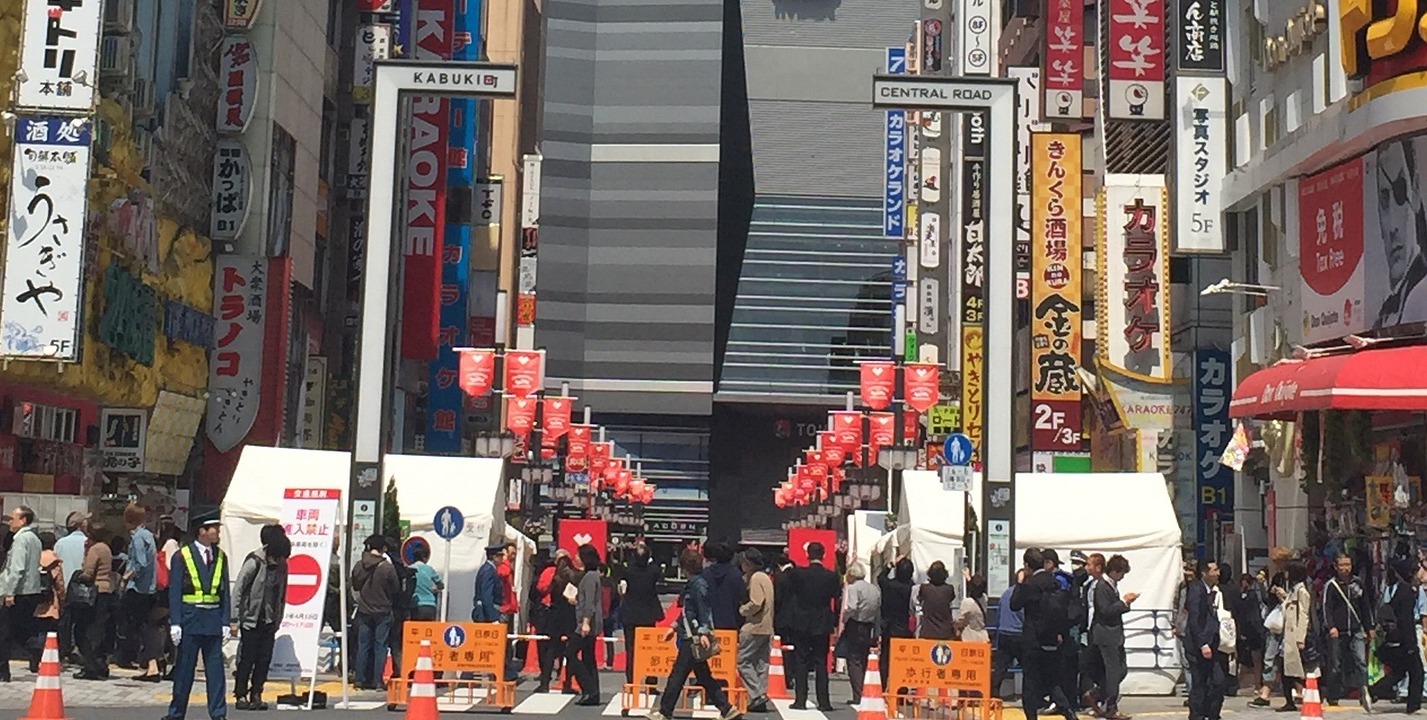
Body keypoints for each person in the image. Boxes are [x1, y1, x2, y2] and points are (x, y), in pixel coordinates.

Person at [647, 549, 741, 720]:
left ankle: (664, 711)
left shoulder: (698, 585)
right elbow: (688, 611)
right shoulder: (696, 583)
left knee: (677, 676)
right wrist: (674, 626)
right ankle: (727, 709)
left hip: (693, 638)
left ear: (684, 568)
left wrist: (703, 632)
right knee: (704, 676)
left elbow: (703, 610)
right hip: (690, 634)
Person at [164, 518, 234, 720]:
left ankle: (218, 713)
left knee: (216, 672)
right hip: (190, 619)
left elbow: (224, 592)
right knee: (185, 670)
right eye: (215, 529)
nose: (218, 533)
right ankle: (176, 713)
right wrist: (175, 622)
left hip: (212, 619)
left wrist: (225, 622)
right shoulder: (182, 556)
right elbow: (175, 591)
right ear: (202, 531)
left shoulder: (221, 556)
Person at [1011, 549, 1075, 720]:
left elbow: (1014, 604)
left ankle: (1031, 716)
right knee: (1052, 678)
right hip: (1053, 638)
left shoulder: (1031, 584)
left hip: (1033, 639)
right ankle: (1068, 711)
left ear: (1027, 566)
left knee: (1030, 681)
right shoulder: (1055, 581)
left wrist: (1020, 584)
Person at [233, 524, 291, 711]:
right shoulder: (255, 561)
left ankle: (257, 692)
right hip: (251, 618)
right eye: (279, 555)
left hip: (269, 619)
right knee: (247, 658)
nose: (280, 559)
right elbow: (239, 589)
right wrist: (234, 618)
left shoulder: (282, 565)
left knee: (264, 658)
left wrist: (278, 618)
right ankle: (240, 693)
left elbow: (282, 594)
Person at [1374, 137, 1427, 329]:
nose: (1392, 226)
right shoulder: (1384, 314)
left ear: (1415, 188)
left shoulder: (1420, 295)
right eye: (1383, 199)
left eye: (1399, 193)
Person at [787, 541, 841, 711]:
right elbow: (836, 595)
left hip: (802, 620)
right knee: (820, 662)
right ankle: (824, 701)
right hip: (822, 621)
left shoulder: (798, 574)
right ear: (824, 555)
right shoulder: (831, 576)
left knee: (801, 660)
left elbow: (790, 592)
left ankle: (800, 699)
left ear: (807, 555)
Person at [1089, 554, 1137, 720]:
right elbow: (1105, 611)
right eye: (1122, 573)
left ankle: (1097, 693)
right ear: (1115, 571)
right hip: (1106, 635)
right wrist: (1124, 603)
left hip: (1113, 635)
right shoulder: (1102, 586)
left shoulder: (1111, 586)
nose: (1123, 577)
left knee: (1120, 670)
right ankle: (1110, 706)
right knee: (1113, 671)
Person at [1320, 553, 1370, 711]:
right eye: (1342, 565)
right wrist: (1331, 626)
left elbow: (1365, 606)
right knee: (1336, 664)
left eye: (1347, 564)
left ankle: (1364, 690)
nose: (1345, 568)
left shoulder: (1358, 583)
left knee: (1361, 661)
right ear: (1336, 567)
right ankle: (1333, 695)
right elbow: (1326, 608)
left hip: (1356, 629)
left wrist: (1369, 627)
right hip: (1338, 630)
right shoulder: (1332, 585)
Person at [1372, 558, 1422, 712]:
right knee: (1417, 671)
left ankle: (1373, 691)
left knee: (1399, 671)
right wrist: (1411, 645)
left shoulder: (1397, 589)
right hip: (1404, 639)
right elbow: (1406, 620)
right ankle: (1413, 704)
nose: (1421, 574)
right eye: (1417, 571)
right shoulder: (1407, 592)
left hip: (1394, 638)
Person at [351, 534, 399, 691]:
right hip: (383, 611)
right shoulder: (387, 568)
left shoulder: (359, 565)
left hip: (364, 609)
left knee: (363, 644)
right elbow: (395, 589)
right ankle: (378, 681)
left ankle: (359, 680)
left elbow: (355, 585)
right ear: (383, 548)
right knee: (381, 646)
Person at [0, 505, 43, 678]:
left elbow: (17, 568)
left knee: (5, 631)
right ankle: (35, 651)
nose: (10, 522)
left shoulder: (21, 540)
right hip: (31, 590)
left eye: (13, 518)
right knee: (21, 629)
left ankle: (3, 670)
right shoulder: (35, 539)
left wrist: (10, 592)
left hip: (19, 591)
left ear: (23, 520)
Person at [1186, 560, 1228, 720]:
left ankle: (1212, 713)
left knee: (1217, 681)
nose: (1218, 573)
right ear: (1204, 573)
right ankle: (1197, 714)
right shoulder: (1196, 590)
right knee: (1200, 683)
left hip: (1212, 642)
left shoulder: (1211, 590)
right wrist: (1202, 643)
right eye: (1214, 570)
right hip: (1199, 645)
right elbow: (1195, 619)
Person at [119, 503, 159, 673]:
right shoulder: (149, 535)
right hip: (149, 588)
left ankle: (148, 663)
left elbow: (140, 563)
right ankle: (153, 663)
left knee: (134, 624)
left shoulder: (137, 538)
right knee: (146, 625)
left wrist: (126, 577)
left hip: (137, 588)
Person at [619, 543, 664, 687]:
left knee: (631, 649)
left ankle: (631, 681)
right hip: (648, 615)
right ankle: (651, 681)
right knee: (649, 648)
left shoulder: (628, 571)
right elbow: (659, 574)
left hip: (630, 614)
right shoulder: (653, 571)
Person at [74, 526, 116, 680]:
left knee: (82, 630)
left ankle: (90, 665)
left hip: (94, 593)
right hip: (106, 591)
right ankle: (100, 664)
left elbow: (88, 573)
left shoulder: (95, 549)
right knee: (100, 629)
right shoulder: (106, 548)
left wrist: (78, 575)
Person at [737, 548, 774, 713]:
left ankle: (757, 694)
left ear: (749, 564)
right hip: (767, 626)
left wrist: (743, 610)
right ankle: (760, 697)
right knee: (761, 663)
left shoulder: (756, 578)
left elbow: (756, 602)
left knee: (743, 661)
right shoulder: (766, 577)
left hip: (754, 626)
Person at [535, 550, 578, 694]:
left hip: (553, 615)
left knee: (550, 650)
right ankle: (567, 683)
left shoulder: (553, 576)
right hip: (570, 616)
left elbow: (541, 589)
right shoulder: (574, 576)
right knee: (570, 651)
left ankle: (544, 682)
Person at [840, 563, 880, 706]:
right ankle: (865, 689)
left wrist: (845, 617)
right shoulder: (873, 588)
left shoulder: (853, 588)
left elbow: (851, 606)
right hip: (868, 625)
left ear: (851, 575)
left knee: (854, 660)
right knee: (863, 659)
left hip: (855, 624)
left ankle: (858, 693)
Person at [569, 544, 604, 706]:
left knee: (570, 653)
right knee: (589, 657)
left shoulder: (589, 577)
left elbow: (590, 602)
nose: (575, 557)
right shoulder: (593, 575)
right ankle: (593, 693)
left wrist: (585, 622)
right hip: (589, 619)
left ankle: (588, 688)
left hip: (586, 622)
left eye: (578, 555)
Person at [1278, 561, 1312, 713]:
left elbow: (1304, 614)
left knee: (1294, 669)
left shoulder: (1302, 591)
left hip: (1294, 636)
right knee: (1285, 668)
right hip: (1287, 635)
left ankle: (1312, 692)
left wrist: (1300, 638)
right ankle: (1288, 701)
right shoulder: (1293, 590)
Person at [878, 557, 915, 693]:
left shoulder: (889, 585)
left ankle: (882, 686)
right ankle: (901, 690)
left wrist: (890, 564)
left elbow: (880, 577)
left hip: (888, 626)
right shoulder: (911, 588)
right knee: (903, 661)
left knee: (885, 659)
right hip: (904, 628)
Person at [55, 511, 88, 661]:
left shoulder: (60, 543)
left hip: (65, 587)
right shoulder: (87, 542)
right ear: (81, 525)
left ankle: (64, 648)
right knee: (81, 622)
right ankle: (77, 648)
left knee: (65, 621)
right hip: (83, 589)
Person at [992, 569, 1026, 700]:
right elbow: (1024, 615)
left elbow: (999, 613)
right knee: (1029, 666)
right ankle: (1033, 695)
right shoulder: (1023, 594)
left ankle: (994, 693)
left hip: (1004, 632)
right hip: (1018, 633)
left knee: (1001, 666)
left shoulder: (1006, 593)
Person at [34, 531, 64, 665]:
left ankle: (34, 658)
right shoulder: (54, 561)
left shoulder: (34, 557)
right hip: (50, 600)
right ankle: (45, 659)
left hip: (35, 598)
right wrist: (62, 599)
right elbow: (59, 584)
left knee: (37, 630)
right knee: (48, 631)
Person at [703, 541, 744, 631]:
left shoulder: (706, 574)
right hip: (731, 624)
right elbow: (743, 598)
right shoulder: (736, 574)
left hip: (710, 624)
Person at [914, 560, 958, 640]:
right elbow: (952, 598)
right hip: (945, 632)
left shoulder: (925, 588)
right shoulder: (949, 589)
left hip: (928, 632)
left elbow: (919, 599)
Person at [409, 544, 443, 621]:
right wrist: (435, 588)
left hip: (416, 604)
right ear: (425, 558)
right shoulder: (429, 569)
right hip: (430, 605)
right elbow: (441, 585)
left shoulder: (409, 569)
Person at [474, 545, 506, 623]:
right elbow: (487, 595)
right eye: (501, 556)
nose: (502, 559)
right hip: (486, 614)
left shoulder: (487, 569)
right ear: (495, 557)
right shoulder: (489, 571)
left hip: (485, 612)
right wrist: (493, 617)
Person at [958, 573, 990, 644]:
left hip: (970, 637)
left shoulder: (967, 602)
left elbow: (960, 621)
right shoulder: (984, 598)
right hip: (983, 637)